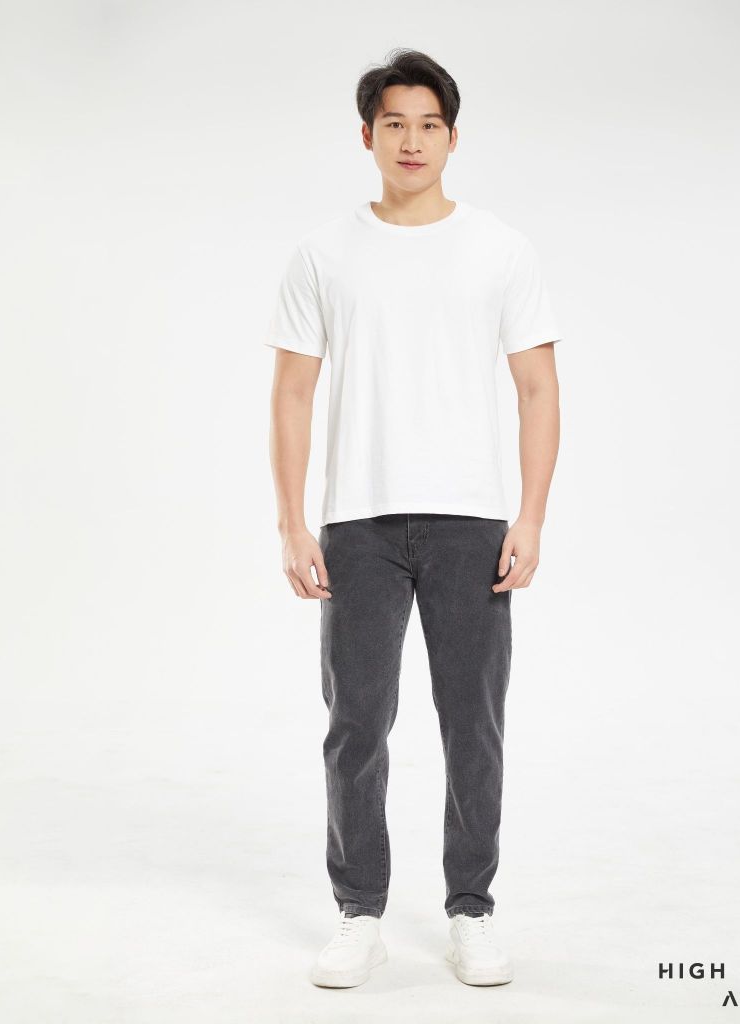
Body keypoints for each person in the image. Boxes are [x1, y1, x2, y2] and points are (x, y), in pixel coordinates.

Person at [264, 47, 563, 989]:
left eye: (429, 124)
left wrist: (531, 516)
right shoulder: (323, 253)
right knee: (356, 723)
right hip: (357, 523)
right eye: (394, 123)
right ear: (367, 134)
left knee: (473, 725)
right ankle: (360, 913)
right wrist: (292, 523)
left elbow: (538, 388)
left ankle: (471, 910)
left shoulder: (500, 249)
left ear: (452, 137)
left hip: (473, 523)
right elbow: (292, 394)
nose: (412, 140)